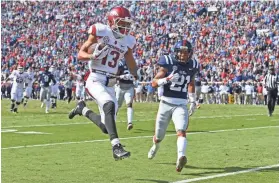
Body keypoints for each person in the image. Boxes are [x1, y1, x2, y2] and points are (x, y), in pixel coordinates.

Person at [68, 6, 138, 160]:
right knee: (109, 105)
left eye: (127, 24)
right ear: (112, 21)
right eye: (123, 23)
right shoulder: (101, 31)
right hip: (95, 79)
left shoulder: (128, 41)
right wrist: (92, 56)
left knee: (107, 126)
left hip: (111, 84)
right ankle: (116, 147)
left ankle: (82, 109)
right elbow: (80, 54)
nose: (126, 27)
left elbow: (131, 62)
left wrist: (135, 75)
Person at [147, 40, 199, 172]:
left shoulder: (193, 65)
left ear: (190, 53)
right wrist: (166, 79)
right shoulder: (168, 62)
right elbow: (153, 83)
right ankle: (155, 146)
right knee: (159, 136)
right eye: (181, 52)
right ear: (176, 53)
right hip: (165, 103)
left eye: (185, 52)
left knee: (181, 131)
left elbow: (191, 83)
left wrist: (192, 100)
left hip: (181, 104)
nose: (183, 55)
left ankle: (180, 157)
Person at [115, 59, 136, 130]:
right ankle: (112, 120)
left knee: (129, 104)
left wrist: (135, 79)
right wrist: (121, 76)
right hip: (120, 87)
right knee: (117, 105)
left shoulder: (133, 65)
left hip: (129, 87)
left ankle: (129, 122)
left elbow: (137, 76)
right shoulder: (120, 64)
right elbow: (114, 76)